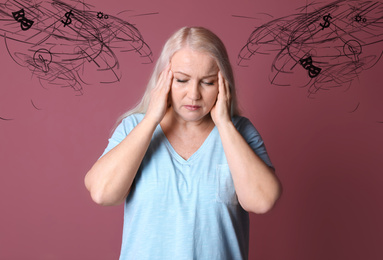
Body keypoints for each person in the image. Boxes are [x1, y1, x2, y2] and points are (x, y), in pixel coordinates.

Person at [85, 26, 281, 260]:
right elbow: (103, 194)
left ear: (222, 83)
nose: (194, 94)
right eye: (182, 80)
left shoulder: (240, 131)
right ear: (163, 79)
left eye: (207, 82)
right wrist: (151, 120)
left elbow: (261, 201)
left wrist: (225, 124)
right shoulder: (132, 128)